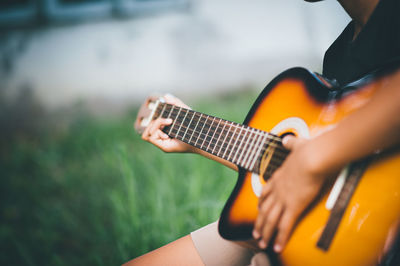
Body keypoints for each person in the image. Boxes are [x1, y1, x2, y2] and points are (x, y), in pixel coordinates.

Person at [125, 0, 400, 265]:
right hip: (326, 229)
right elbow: (305, 172)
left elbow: (310, 162)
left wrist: (311, 159)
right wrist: (197, 137)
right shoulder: (341, 55)